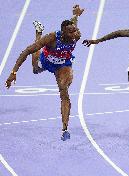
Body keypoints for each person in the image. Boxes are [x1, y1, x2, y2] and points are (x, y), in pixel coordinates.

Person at [5, 5, 84, 141]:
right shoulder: (52, 38)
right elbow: (27, 51)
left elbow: (73, 25)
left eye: (74, 31)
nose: (74, 35)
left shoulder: (76, 34)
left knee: (64, 91)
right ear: (63, 32)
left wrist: (76, 15)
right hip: (46, 60)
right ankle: (38, 33)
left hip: (63, 65)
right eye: (70, 32)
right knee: (35, 69)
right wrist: (13, 72)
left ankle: (65, 128)